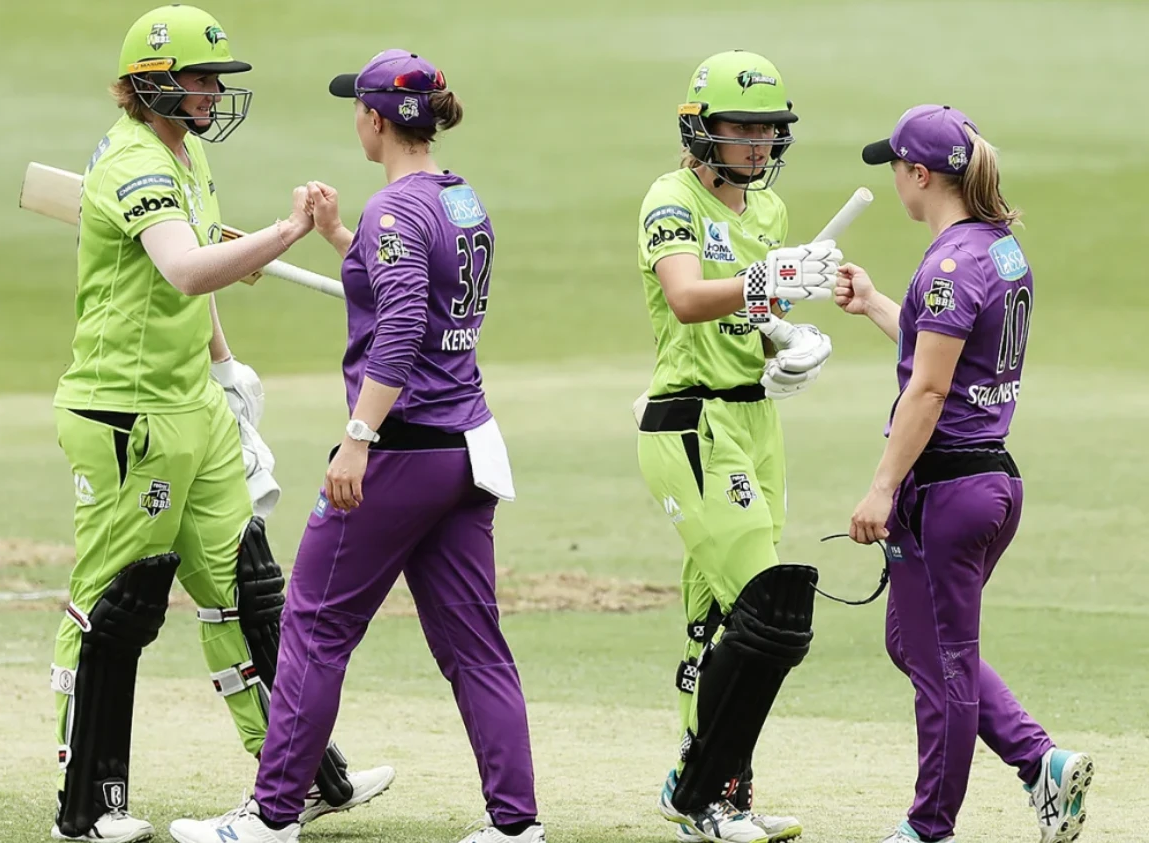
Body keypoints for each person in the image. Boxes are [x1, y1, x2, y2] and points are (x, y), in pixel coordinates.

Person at [167, 48, 545, 843]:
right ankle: (516, 826)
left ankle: (271, 816)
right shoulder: (459, 199)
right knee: (475, 645)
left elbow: (404, 322)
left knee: (312, 625)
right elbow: (416, 287)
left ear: (375, 119)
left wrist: (357, 438)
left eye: (357, 109)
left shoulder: (395, 211)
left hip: (401, 451)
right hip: (463, 447)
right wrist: (341, 235)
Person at [49, 7, 392, 841]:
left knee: (250, 589)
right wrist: (284, 233)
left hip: (191, 406)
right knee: (118, 602)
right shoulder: (136, 162)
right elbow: (184, 265)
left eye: (214, 80)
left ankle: (306, 775)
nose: (210, 92)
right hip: (126, 410)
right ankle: (86, 804)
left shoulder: (184, 151)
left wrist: (226, 370)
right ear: (151, 85)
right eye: (198, 79)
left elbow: (195, 284)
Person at [835, 104, 1095, 843]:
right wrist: (880, 304)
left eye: (894, 167)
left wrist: (882, 486)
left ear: (919, 176)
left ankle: (928, 827)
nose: (893, 179)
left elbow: (929, 388)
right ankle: (1039, 759)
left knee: (942, 665)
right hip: (990, 482)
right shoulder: (998, 250)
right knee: (920, 644)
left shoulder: (948, 265)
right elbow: (948, 351)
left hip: (947, 489)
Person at [634, 50, 843, 843]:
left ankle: (720, 790)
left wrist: (790, 340)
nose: (758, 144)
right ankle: (699, 792)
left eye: (769, 130)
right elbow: (688, 298)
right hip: (692, 424)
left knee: (715, 621)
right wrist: (771, 281)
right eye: (742, 127)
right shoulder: (670, 198)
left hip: (756, 424)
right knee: (768, 610)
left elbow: (749, 325)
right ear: (700, 128)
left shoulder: (768, 215)